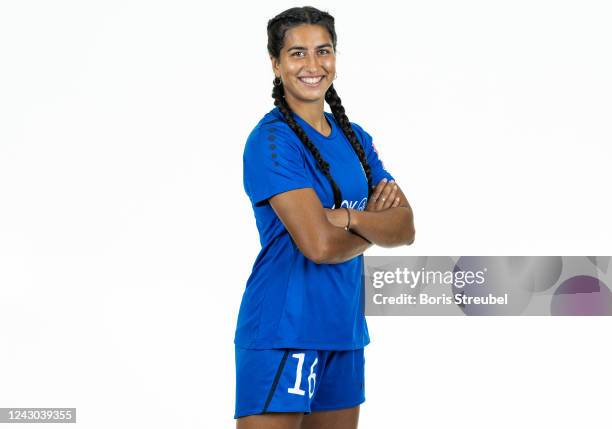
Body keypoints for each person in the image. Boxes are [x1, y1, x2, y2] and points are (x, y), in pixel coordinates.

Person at [234, 6, 415, 429]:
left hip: (344, 331)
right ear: (275, 63)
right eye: (297, 53)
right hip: (284, 331)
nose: (313, 65)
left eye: (323, 51)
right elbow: (319, 246)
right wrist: (372, 220)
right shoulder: (272, 141)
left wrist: (347, 220)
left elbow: (405, 228)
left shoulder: (355, 138)